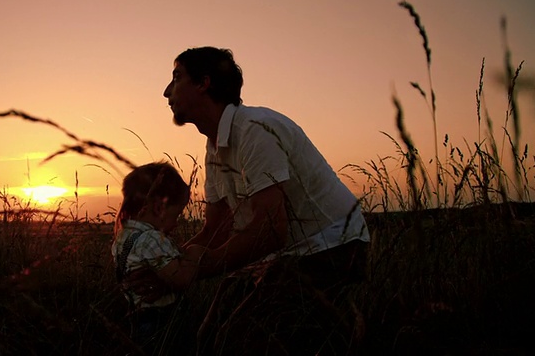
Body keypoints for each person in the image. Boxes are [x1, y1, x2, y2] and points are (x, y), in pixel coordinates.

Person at [130, 46, 371, 354]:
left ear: (203, 83)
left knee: (237, 337)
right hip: (288, 256)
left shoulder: (254, 130)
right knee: (210, 330)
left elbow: (271, 230)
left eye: (176, 78)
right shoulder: (214, 145)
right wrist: (167, 267)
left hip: (335, 248)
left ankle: (339, 329)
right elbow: (217, 228)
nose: (166, 92)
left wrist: (187, 272)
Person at [111, 161, 205, 354]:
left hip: (138, 319)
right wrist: (194, 254)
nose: (177, 224)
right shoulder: (151, 240)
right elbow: (180, 279)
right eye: (176, 215)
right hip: (163, 320)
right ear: (158, 208)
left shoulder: (123, 238)